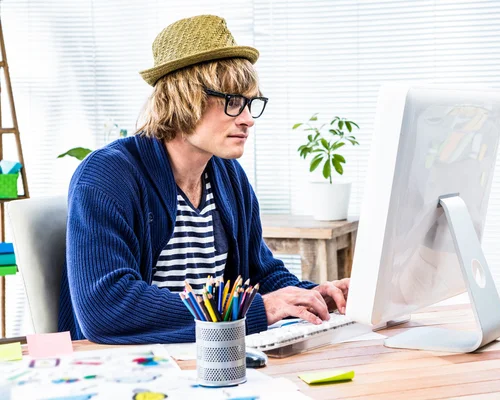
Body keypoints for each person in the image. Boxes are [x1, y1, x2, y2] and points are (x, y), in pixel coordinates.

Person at [58, 14, 350, 344]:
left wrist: (314, 296)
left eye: (250, 103)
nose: (247, 119)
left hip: (210, 357)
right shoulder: (107, 177)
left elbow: (260, 272)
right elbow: (106, 307)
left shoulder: (228, 177)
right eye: (233, 102)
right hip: (128, 367)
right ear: (185, 98)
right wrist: (247, 311)